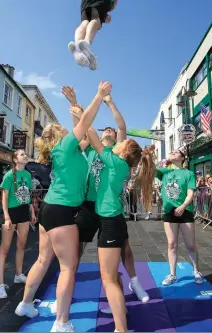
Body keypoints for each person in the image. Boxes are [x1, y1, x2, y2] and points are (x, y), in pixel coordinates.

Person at [15, 81, 112, 333]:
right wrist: (99, 95)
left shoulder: (66, 151)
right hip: (61, 212)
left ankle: (25, 304)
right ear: (60, 135)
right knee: (68, 267)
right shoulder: (67, 147)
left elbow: (81, 123)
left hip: (50, 209)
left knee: (43, 259)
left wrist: (72, 102)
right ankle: (62, 322)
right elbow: (85, 120)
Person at [61, 88, 150, 311]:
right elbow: (80, 128)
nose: (109, 129)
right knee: (76, 247)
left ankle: (135, 282)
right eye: (105, 129)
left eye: (111, 129)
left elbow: (121, 126)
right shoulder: (92, 147)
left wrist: (109, 102)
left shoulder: (117, 152)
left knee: (124, 248)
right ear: (100, 136)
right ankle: (67, 287)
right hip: (90, 204)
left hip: (110, 208)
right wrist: (74, 101)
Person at [85, 127, 155, 333]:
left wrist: (81, 111)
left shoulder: (114, 162)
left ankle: (121, 329)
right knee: (111, 273)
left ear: (123, 152)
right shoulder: (121, 165)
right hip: (114, 219)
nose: (118, 144)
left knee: (107, 278)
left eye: (121, 144)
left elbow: (91, 133)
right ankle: (120, 309)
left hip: (110, 222)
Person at [156, 149, 204, 286]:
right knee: (172, 244)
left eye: (176, 152)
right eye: (171, 151)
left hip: (185, 211)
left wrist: (183, 206)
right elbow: (151, 170)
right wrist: (156, 158)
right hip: (169, 211)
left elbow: (190, 194)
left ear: (182, 158)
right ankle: (172, 274)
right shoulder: (165, 172)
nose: (172, 152)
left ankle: (196, 271)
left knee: (190, 244)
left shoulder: (188, 173)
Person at [0, 150, 36, 299]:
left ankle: (18, 274)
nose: (25, 155)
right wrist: (6, 217)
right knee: (4, 248)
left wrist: (31, 211)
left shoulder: (28, 175)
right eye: (21, 154)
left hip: (24, 211)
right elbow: (4, 197)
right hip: (11, 212)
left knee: (22, 244)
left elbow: (28, 195)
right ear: (15, 159)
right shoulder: (9, 175)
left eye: (25, 154)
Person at [68, 0, 121, 70]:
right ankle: (87, 43)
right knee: (96, 20)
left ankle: (78, 47)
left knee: (84, 23)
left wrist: (105, 16)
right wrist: (115, 2)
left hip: (85, 0)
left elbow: (96, 9)